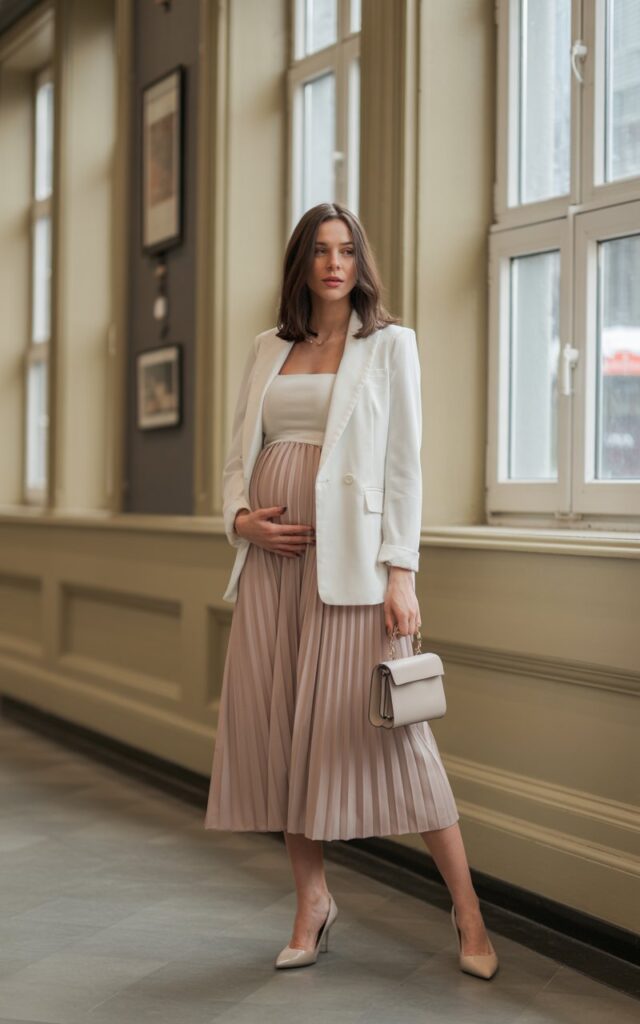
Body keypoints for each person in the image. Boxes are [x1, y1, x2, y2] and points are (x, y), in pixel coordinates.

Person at [204, 202, 498, 979]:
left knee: (402, 741)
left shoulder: (390, 346)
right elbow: (239, 455)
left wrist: (402, 572)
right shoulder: (268, 347)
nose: (334, 264)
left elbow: (406, 465)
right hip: (273, 566)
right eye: (320, 252)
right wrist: (242, 522)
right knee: (282, 735)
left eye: (346, 251)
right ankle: (312, 902)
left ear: (359, 263)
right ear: (302, 266)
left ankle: (469, 914)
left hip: (356, 570)